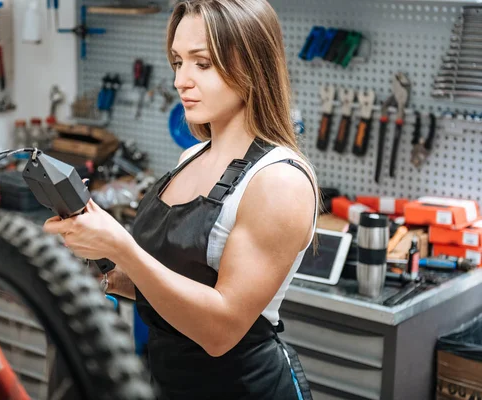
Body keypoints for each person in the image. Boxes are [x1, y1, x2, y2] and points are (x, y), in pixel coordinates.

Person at [44, 0, 319, 398]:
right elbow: (174, 287)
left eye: (201, 63)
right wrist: (100, 272)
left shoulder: (278, 181)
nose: (181, 81)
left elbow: (220, 329)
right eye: (177, 62)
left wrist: (122, 246)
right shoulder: (191, 158)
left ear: (251, 64)